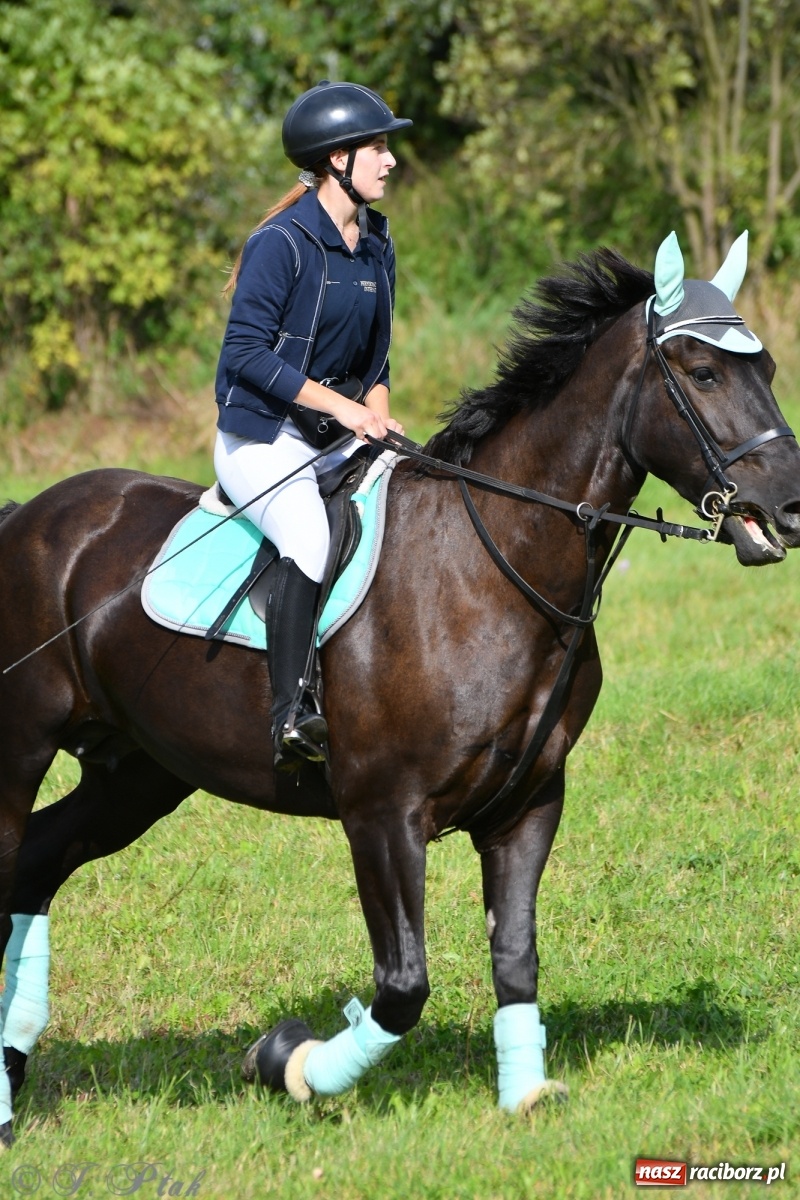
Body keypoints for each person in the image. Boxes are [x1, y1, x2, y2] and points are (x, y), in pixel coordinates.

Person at [213, 81, 411, 771]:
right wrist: (346, 410)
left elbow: (376, 358)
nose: (390, 161)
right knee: (307, 534)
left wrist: (376, 408)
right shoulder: (280, 243)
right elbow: (244, 355)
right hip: (261, 439)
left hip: (337, 436)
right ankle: (291, 715)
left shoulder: (375, 243)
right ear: (336, 160)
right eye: (378, 148)